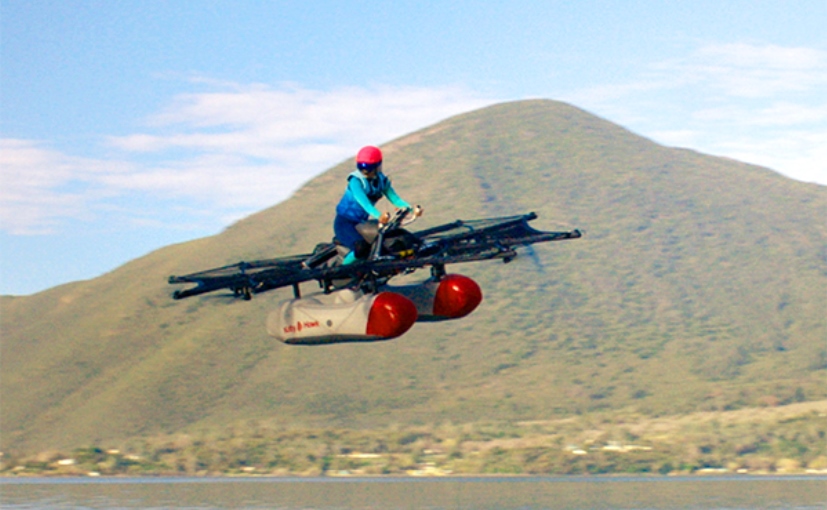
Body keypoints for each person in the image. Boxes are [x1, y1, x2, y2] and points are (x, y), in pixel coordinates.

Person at [334, 145, 419, 264]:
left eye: (369, 167)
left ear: (378, 166)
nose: (365, 171)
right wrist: (379, 216)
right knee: (361, 248)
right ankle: (342, 270)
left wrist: (411, 209)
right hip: (345, 222)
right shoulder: (355, 181)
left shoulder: (381, 181)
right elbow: (365, 204)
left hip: (362, 224)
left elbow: (396, 200)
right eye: (362, 167)